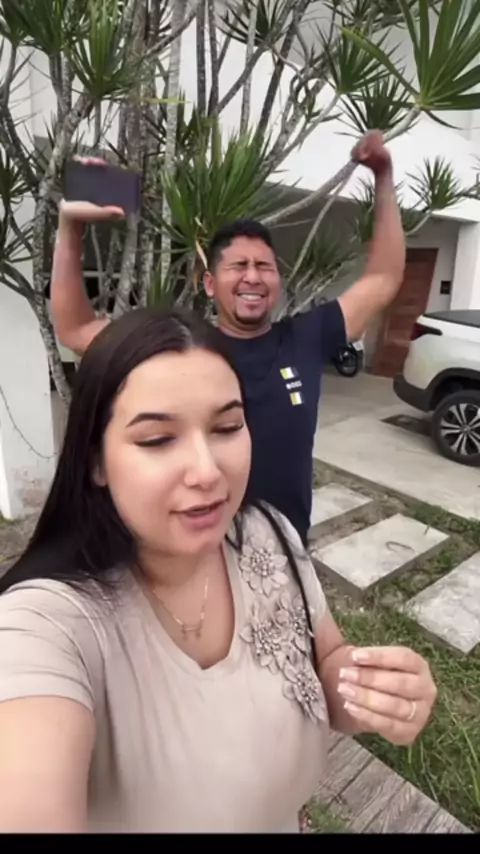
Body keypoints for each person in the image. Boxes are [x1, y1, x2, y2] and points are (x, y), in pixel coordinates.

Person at [0, 307, 436, 833]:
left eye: (227, 427)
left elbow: (327, 664)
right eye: (158, 439)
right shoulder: (44, 626)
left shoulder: (266, 534)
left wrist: (370, 692)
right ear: (95, 460)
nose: (207, 472)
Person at [50, 130, 405, 544]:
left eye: (264, 266)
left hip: (284, 546)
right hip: (201, 547)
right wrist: (70, 229)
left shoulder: (308, 337)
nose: (252, 276)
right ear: (209, 283)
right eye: (238, 266)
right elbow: (76, 329)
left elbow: (383, 277)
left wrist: (383, 176)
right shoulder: (187, 348)